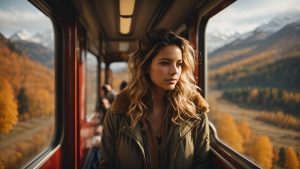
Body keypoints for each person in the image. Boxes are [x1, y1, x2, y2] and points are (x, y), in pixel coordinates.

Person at [99, 29, 210, 169]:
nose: (174, 71)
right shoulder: (119, 111)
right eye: (165, 63)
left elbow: (202, 164)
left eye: (179, 64)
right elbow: (107, 164)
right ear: (146, 66)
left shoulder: (195, 112)